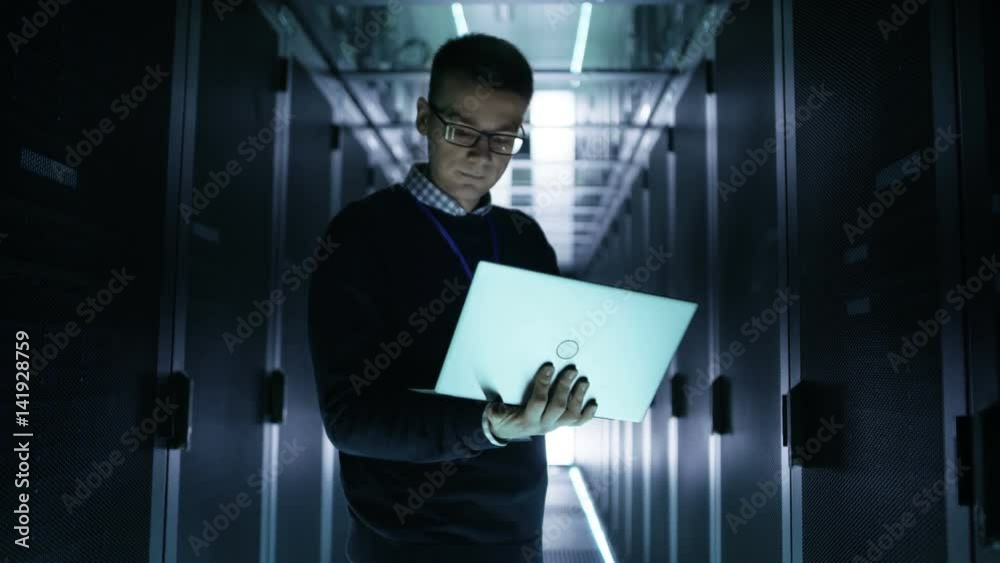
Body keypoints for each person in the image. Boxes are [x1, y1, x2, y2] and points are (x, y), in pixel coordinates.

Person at [306, 32, 598, 563]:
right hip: (405, 544)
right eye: (462, 130)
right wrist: (483, 426)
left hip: (515, 536)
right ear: (424, 118)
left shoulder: (525, 238)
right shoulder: (361, 235)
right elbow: (349, 420)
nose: (483, 157)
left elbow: (553, 363)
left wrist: (571, 396)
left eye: (504, 138)